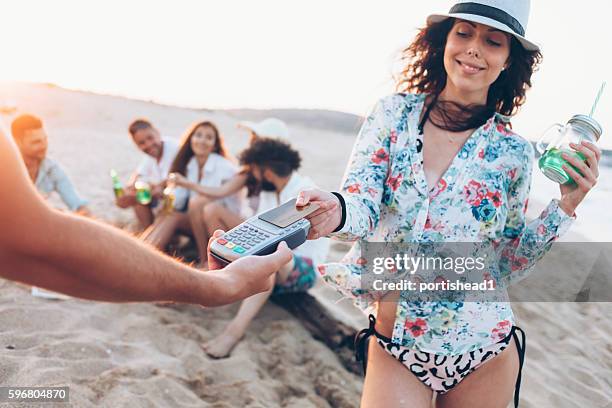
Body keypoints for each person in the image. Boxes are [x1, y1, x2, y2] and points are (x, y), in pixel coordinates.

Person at [297, 1, 602, 407]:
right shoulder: (392, 116)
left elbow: (507, 262)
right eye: (464, 33)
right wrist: (335, 210)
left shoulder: (513, 151)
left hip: (485, 349)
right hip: (396, 345)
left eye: (493, 41)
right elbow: (361, 204)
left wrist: (566, 205)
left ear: (509, 60)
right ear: (445, 41)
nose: (474, 49)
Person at [0, 125, 293, 306]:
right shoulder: (185, 163)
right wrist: (213, 287)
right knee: (170, 212)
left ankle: (151, 253)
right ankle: (150, 251)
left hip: (214, 227)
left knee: (186, 210)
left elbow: (31, 235)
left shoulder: (220, 166)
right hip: (202, 232)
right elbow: (30, 235)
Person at [202, 138, 330, 358]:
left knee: (269, 254)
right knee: (258, 245)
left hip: (305, 269)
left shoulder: (305, 192)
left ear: (266, 172)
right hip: (279, 259)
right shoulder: (269, 192)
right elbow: (256, 226)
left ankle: (234, 332)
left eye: (254, 171)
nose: (253, 176)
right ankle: (224, 275)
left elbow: (293, 241)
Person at [144, 121, 246, 262]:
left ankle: (205, 259)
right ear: (191, 139)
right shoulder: (191, 164)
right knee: (170, 214)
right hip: (200, 223)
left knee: (198, 202)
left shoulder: (224, 166)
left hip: (224, 225)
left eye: (208, 137)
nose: (202, 141)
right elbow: (180, 199)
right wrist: (166, 196)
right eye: (198, 135)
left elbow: (218, 193)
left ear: (214, 145)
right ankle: (143, 248)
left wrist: (188, 184)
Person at [11, 114, 90, 216]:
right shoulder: (7, 169)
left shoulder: (51, 168)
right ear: (18, 142)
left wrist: (84, 214)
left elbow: (76, 203)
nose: (44, 146)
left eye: (45, 139)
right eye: (36, 142)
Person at [115, 119, 180, 228]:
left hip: (178, 200)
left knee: (141, 197)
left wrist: (154, 187)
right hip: (161, 197)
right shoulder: (151, 155)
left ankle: (152, 236)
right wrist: (130, 187)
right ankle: (148, 230)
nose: (148, 144)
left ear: (157, 133)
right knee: (132, 198)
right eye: (141, 143)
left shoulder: (175, 148)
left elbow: (177, 176)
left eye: (150, 138)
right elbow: (138, 173)